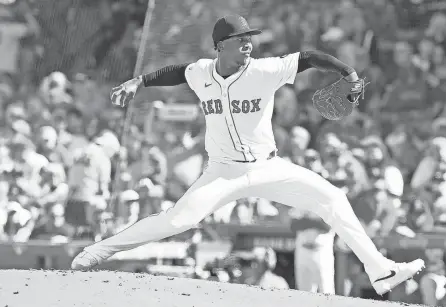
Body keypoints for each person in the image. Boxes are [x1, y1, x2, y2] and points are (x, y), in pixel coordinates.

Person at [71, 14, 424, 295]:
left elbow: (309, 58)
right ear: (220, 46)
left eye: (249, 38)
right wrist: (139, 82)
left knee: (332, 198)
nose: (248, 44)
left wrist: (346, 71)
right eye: (241, 40)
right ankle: (100, 250)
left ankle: (381, 271)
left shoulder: (264, 70)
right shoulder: (202, 72)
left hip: (268, 167)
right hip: (222, 172)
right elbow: (177, 72)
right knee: (179, 221)